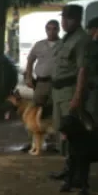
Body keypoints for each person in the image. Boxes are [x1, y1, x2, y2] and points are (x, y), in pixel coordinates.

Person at [48, 4, 91, 184]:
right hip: (58, 91)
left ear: (77, 19)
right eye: (63, 18)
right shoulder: (66, 38)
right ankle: (69, 168)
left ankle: (78, 174)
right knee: (62, 131)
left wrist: (77, 96)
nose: (63, 22)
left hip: (70, 90)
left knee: (73, 133)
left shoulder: (81, 39)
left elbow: (83, 70)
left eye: (68, 19)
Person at [21, 19, 61, 151]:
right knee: (33, 110)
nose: (51, 31)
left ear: (58, 29)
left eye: (54, 28)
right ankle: (31, 141)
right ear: (45, 30)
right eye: (49, 28)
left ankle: (52, 142)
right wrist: (28, 76)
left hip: (57, 83)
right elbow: (30, 60)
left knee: (54, 111)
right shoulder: (39, 45)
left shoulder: (63, 45)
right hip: (41, 82)